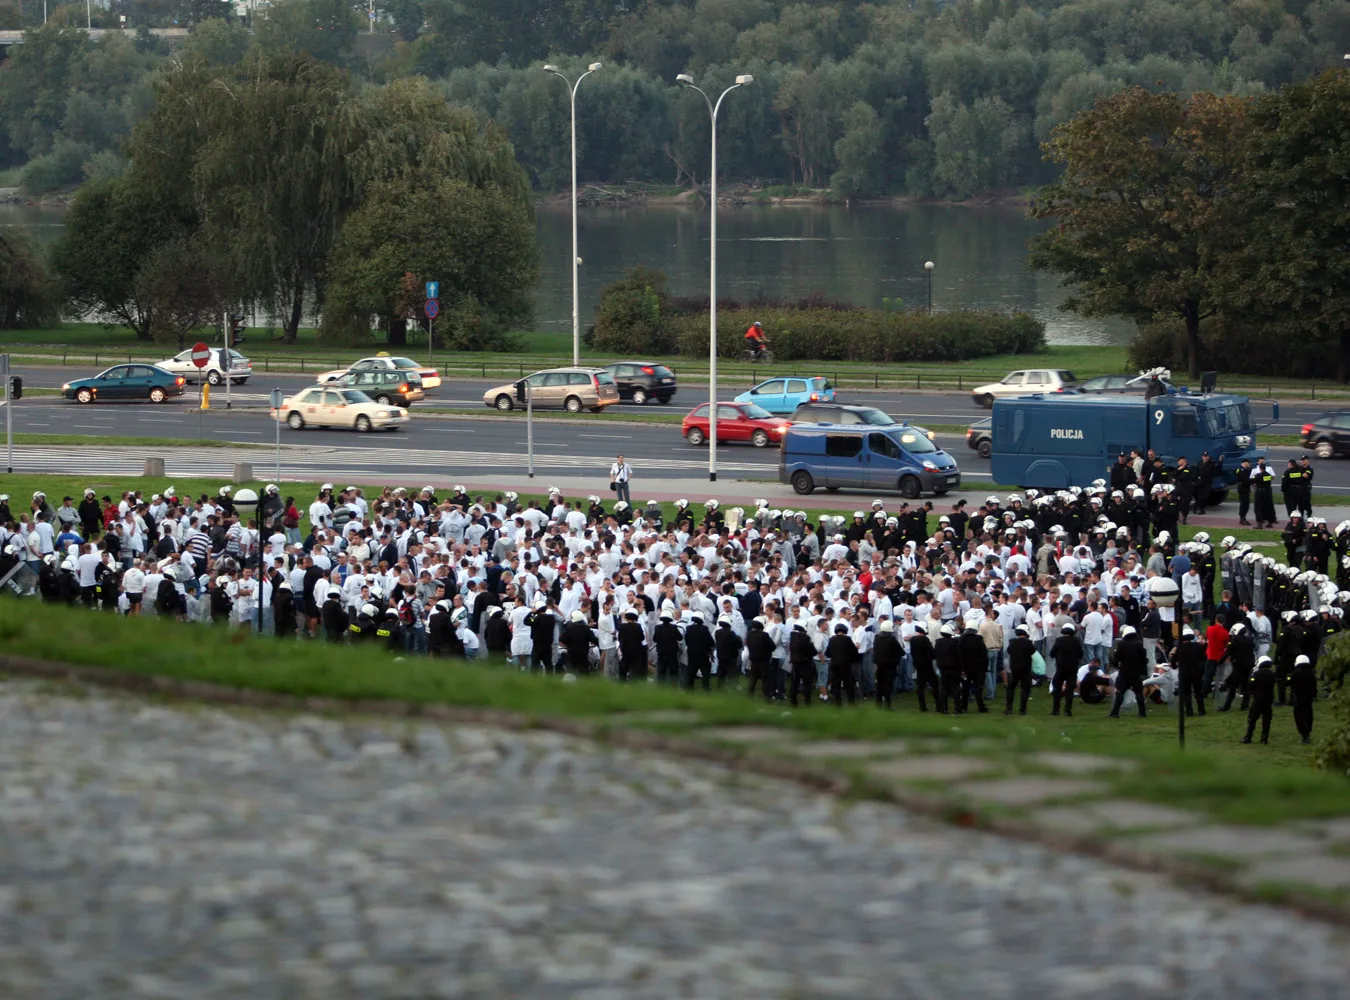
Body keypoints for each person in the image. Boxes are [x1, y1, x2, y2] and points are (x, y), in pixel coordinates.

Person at [1107, 625, 1148, 718]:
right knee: (1139, 693)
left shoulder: (1122, 644)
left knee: (1119, 692)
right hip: (1136, 673)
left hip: (1124, 672)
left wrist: (1115, 663)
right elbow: (1144, 659)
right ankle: (1142, 713)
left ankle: (1115, 712)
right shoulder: (1139, 644)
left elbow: (1116, 658)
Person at [1241, 655, 1277, 745]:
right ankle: (1264, 739)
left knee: (1252, 719)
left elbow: (1250, 686)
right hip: (1268, 700)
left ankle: (1248, 737)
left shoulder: (1256, 674)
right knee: (1267, 720)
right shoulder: (1272, 674)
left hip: (1258, 700)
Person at [1049, 623, 1082, 716]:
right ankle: (1068, 710)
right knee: (1070, 690)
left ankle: (1056, 710)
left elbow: (1052, 654)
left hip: (1060, 668)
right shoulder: (1076, 641)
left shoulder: (1059, 641)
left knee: (1057, 689)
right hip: (1072, 669)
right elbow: (1080, 655)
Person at [1174, 627, 1207, 717]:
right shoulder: (1199, 646)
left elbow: (1174, 660)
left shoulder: (1180, 648)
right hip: (1197, 672)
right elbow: (1203, 658)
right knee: (1198, 691)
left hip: (1185, 673)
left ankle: (1189, 710)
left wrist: (1174, 665)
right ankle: (1201, 710)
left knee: (1186, 692)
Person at [824, 622, 859, 706]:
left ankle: (838, 703)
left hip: (834, 666)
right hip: (845, 665)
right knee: (848, 684)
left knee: (836, 685)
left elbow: (827, 653)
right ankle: (851, 703)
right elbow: (854, 652)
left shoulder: (832, 639)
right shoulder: (847, 639)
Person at [1004, 624, 1036, 715]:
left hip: (1014, 667)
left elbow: (1009, 651)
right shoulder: (1029, 642)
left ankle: (1009, 708)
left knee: (1011, 687)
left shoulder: (1012, 642)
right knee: (1025, 689)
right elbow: (1033, 651)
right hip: (1026, 668)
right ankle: (1022, 710)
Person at [872, 619, 903, 710]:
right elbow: (900, 652)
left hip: (879, 665)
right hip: (890, 666)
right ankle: (887, 706)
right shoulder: (891, 639)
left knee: (880, 685)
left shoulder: (877, 638)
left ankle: (878, 704)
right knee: (888, 686)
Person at [1289, 654, 1317, 745]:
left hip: (1298, 699)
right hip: (1308, 698)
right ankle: (1308, 731)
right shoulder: (1311, 673)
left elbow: (1287, 682)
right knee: (1308, 715)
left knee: (1299, 717)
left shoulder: (1295, 674)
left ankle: (1304, 734)